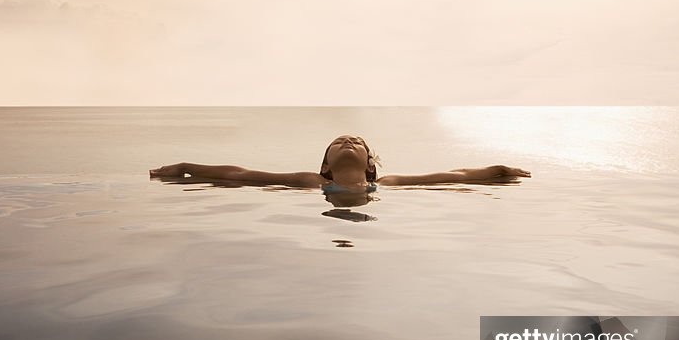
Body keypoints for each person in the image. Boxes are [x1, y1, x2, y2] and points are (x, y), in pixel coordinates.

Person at [149, 135, 531, 190]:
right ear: (326, 165)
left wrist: (499, 170)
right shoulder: (311, 183)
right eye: (338, 142)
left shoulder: (388, 185)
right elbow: (241, 174)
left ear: (369, 165)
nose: (348, 142)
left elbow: (453, 176)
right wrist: (185, 166)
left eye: (357, 142)